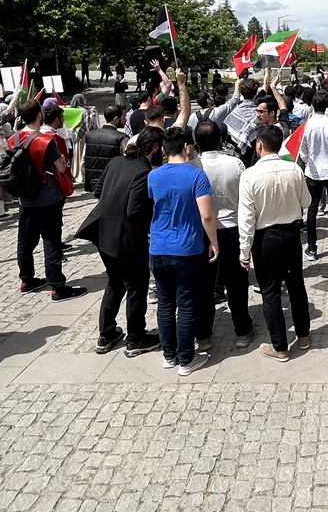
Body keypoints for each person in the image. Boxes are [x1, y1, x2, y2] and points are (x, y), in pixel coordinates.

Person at [83, 127, 162, 357]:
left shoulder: (115, 162)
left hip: (103, 235)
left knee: (114, 283)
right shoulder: (144, 172)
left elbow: (98, 192)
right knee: (136, 287)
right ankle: (136, 338)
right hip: (127, 240)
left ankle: (106, 334)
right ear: (154, 148)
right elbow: (135, 210)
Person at [147, 127, 218, 375]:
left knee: (165, 304)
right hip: (187, 248)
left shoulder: (153, 176)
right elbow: (207, 214)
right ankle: (186, 359)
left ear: (164, 150)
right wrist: (214, 242)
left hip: (158, 247)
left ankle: (169, 355)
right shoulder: (197, 176)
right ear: (187, 147)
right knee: (187, 303)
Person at [239, 124, 312, 361]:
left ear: (259, 145)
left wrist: (244, 250)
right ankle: (303, 336)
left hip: (265, 240)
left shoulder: (249, 175)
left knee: (270, 293)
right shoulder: (294, 169)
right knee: (296, 286)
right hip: (290, 236)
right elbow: (307, 201)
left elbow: (247, 218)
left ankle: (280, 346)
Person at [8, 99, 85, 301]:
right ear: (40, 115)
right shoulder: (44, 140)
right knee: (51, 241)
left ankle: (27, 279)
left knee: (25, 240)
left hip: (25, 197)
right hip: (47, 195)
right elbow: (60, 168)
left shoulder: (13, 138)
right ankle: (57, 286)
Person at [193, 120, 256, 351]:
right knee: (237, 282)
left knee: (204, 284)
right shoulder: (235, 164)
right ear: (220, 139)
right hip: (232, 228)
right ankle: (242, 329)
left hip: (202, 232)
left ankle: (203, 334)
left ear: (197, 142)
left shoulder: (192, 165)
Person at [298, 90, 328, 262]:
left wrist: (309, 161)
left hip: (313, 172)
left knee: (312, 211)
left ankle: (311, 248)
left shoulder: (307, 126)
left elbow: (303, 152)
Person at [83, 106, 127, 195]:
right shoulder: (121, 138)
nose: (126, 120)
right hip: (113, 183)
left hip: (94, 183)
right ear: (116, 119)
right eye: (124, 117)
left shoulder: (90, 135)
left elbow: (83, 161)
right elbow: (127, 162)